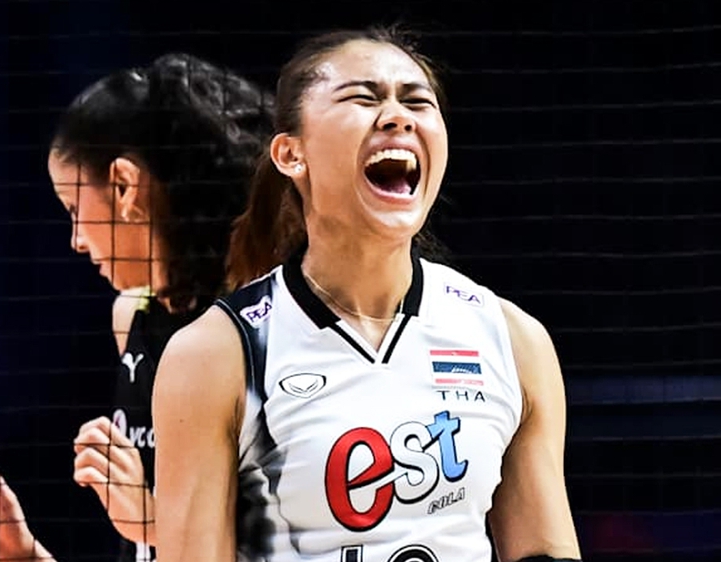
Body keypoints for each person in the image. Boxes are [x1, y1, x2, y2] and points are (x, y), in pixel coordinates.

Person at [152, 26, 583, 562]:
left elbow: (546, 550)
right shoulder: (218, 352)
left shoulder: (510, 339)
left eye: (417, 102)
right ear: (291, 153)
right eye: (364, 97)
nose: (398, 116)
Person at [0, 52, 273, 562]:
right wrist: (19, 555)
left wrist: (153, 523)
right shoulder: (131, 317)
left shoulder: (260, 327)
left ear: (126, 186)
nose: (76, 240)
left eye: (73, 208)